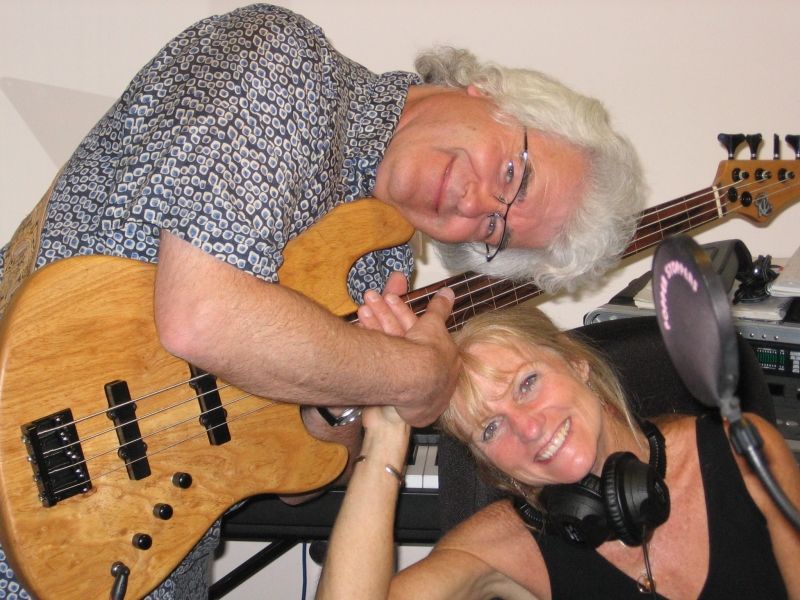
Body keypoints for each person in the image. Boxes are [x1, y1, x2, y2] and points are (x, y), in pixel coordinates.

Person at [0, 4, 645, 598]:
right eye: (513, 174)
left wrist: (338, 409)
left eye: (494, 231)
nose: (475, 203)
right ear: (488, 95)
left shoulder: (384, 259)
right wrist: (414, 373)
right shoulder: (283, 63)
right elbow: (203, 316)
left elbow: (300, 480)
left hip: (130, 557)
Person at [317, 301, 800, 599]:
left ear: (577, 365)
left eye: (527, 383)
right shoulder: (501, 548)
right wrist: (386, 433)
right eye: (490, 429)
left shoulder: (741, 455)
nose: (528, 428)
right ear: (489, 466)